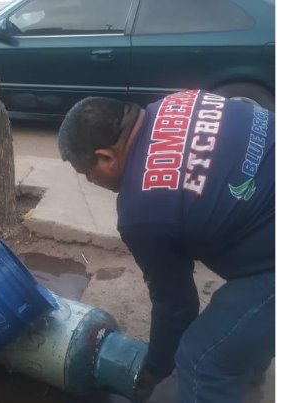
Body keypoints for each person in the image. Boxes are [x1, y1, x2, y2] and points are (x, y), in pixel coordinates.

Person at [57, 91, 274, 403]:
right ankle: (245, 375)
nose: (91, 182)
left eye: (87, 173)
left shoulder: (142, 211)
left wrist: (154, 369)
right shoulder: (174, 103)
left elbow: (177, 307)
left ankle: (227, 373)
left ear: (106, 156)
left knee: (201, 360)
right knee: (235, 332)